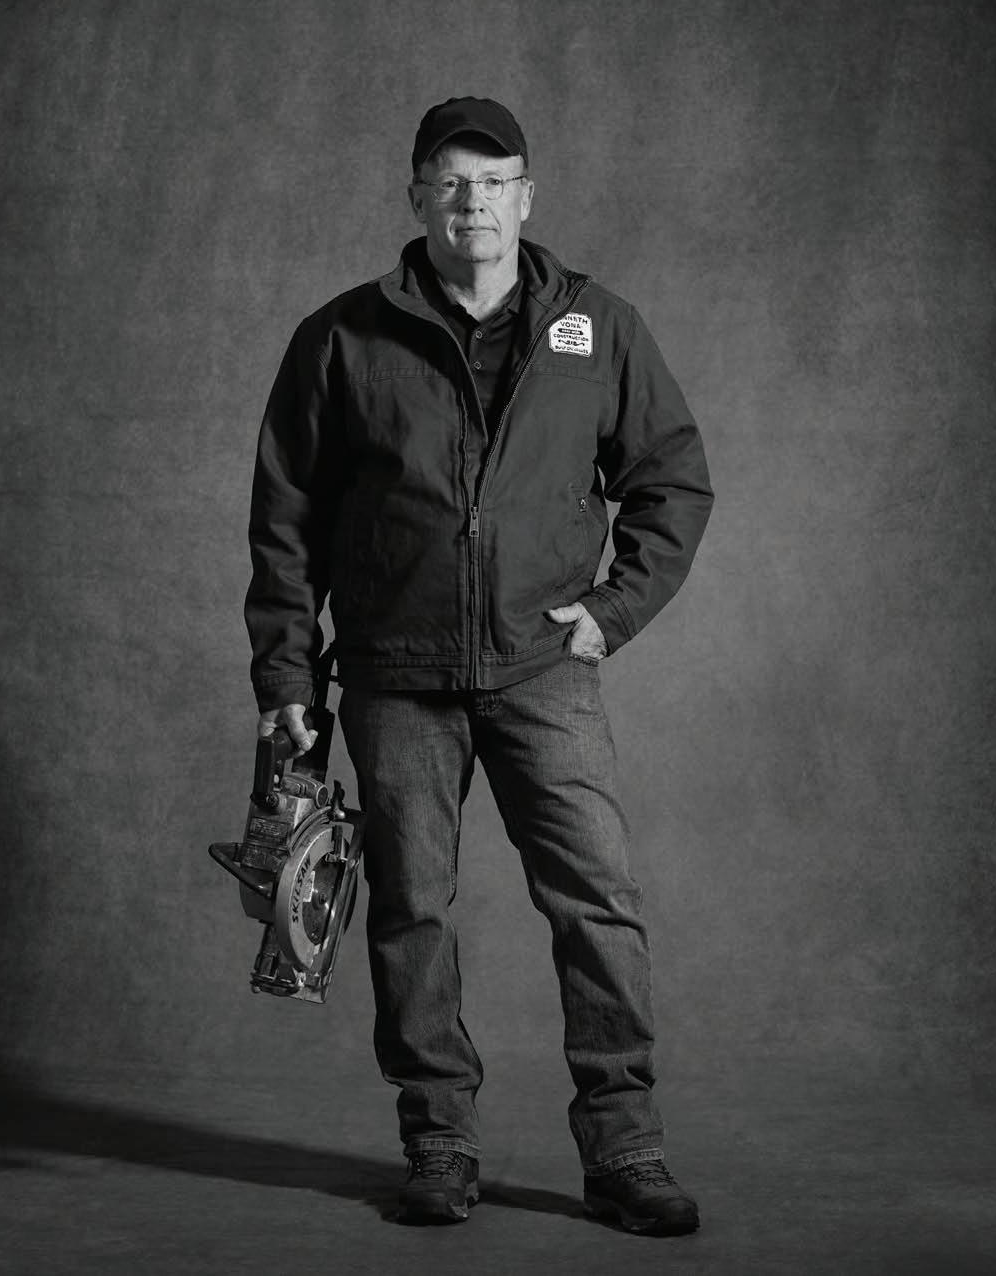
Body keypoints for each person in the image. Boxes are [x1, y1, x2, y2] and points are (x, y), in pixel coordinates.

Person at [245, 97, 713, 1235]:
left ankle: (625, 1147)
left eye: (495, 181)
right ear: (418, 197)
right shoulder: (342, 337)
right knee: (411, 909)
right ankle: (439, 1141)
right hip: (397, 675)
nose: (474, 202)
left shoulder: (597, 328)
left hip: (543, 667)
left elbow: (672, 482)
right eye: (452, 181)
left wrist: (609, 614)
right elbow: (285, 521)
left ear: (527, 198)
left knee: (598, 902)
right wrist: (289, 681)